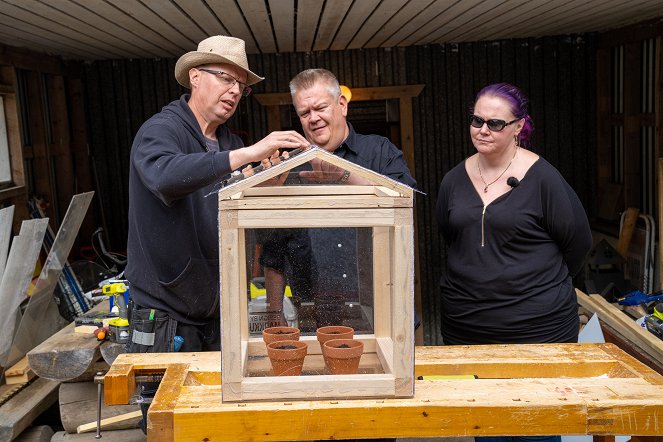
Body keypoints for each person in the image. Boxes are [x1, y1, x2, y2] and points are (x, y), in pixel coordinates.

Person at [436, 83, 592, 442]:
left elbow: (578, 243)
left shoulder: (544, 179)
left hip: (538, 333)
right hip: (469, 332)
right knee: (487, 431)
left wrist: (533, 288)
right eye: (477, 121)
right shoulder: (453, 180)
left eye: (495, 123)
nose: (483, 130)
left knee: (536, 430)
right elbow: (451, 237)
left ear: (519, 127)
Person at [260, 68, 416, 331]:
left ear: (341, 105)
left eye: (320, 108)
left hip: (382, 311)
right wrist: (274, 310)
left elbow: (405, 201)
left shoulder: (379, 151)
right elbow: (275, 250)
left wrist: (346, 176)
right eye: (305, 113)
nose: (314, 118)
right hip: (313, 316)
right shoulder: (288, 168)